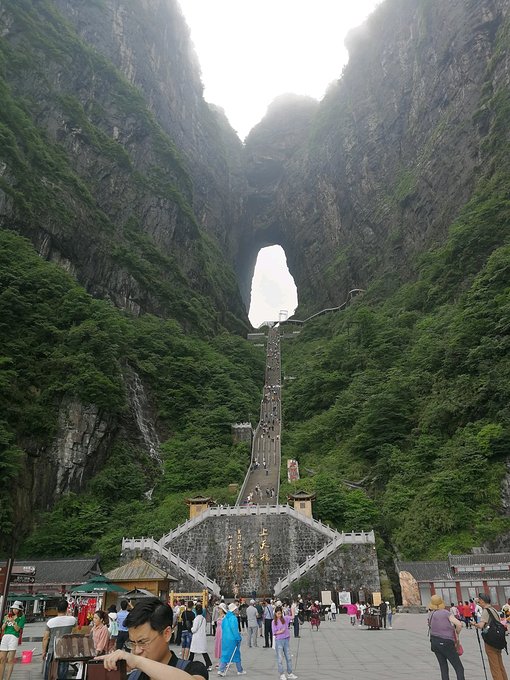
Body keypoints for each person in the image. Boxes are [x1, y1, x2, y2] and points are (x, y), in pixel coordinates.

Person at [95, 596, 208, 679]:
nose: (136, 651)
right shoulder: (133, 677)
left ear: (166, 634)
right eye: (132, 643)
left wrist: (137, 661)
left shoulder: (192, 669)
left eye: (142, 642)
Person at [428, 594, 465, 680]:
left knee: (443, 668)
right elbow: (459, 624)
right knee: (459, 668)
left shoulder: (430, 614)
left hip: (435, 642)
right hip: (446, 643)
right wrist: (457, 632)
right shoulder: (445, 613)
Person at [473, 592, 508, 680]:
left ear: (482, 601)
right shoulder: (493, 609)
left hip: (490, 641)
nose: (479, 602)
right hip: (498, 640)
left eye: (479, 601)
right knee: (500, 665)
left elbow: (481, 625)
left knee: (494, 666)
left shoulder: (486, 611)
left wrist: (474, 624)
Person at [42, 599, 77, 680]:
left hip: (52, 649)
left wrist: (44, 651)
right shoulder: (72, 620)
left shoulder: (50, 622)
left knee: (50, 670)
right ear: (67, 608)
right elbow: (75, 632)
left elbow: (45, 638)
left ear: (57, 609)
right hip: (66, 649)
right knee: (63, 671)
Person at [0, 601, 25, 680]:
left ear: (20, 610)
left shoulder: (21, 617)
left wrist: (13, 621)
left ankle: (8, 678)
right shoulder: (7, 616)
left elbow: (18, 629)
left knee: (10, 659)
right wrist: (6, 621)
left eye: (17, 609)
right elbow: (2, 629)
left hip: (14, 637)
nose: (15, 610)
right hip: (5, 637)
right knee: (2, 658)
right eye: (14, 608)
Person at [271, 606, 298, 680]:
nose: (279, 615)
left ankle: (290, 673)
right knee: (280, 658)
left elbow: (292, 617)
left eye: (280, 613)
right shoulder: (274, 622)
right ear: (275, 614)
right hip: (279, 640)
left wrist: (292, 608)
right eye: (278, 614)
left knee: (288, 657)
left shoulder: (285, 618)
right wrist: (280, 631)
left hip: (286, 640)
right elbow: (274, 632)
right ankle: (282, 674)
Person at [218, 603, 244, 676]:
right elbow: (234, 629)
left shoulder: (225, 617)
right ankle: (240, 670)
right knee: (236, 654)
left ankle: (221, 669)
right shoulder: (233, 618)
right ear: (234, 610)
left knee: (225, 654)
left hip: (225, 638)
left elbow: (222, 627)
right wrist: (238, 638)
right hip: (232, 639)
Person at [189, 604, 212, 670]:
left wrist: (191, 628)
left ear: (196, 610)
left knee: (192, 651)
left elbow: (194, 629)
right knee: (203, 651)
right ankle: (208, 664)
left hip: (196, 637)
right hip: (202, 637)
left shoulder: (196, 619)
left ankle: (188, 664)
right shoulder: (203, 618)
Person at [214, 603, 227, 668]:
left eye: (219, 609)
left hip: (222, 633)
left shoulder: (225, 616)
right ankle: (220, 661)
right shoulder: (219, 616)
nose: (218, 610)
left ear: (222, 609)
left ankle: (224, 662)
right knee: (218, 646)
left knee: (222, 647)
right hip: (218, 633)